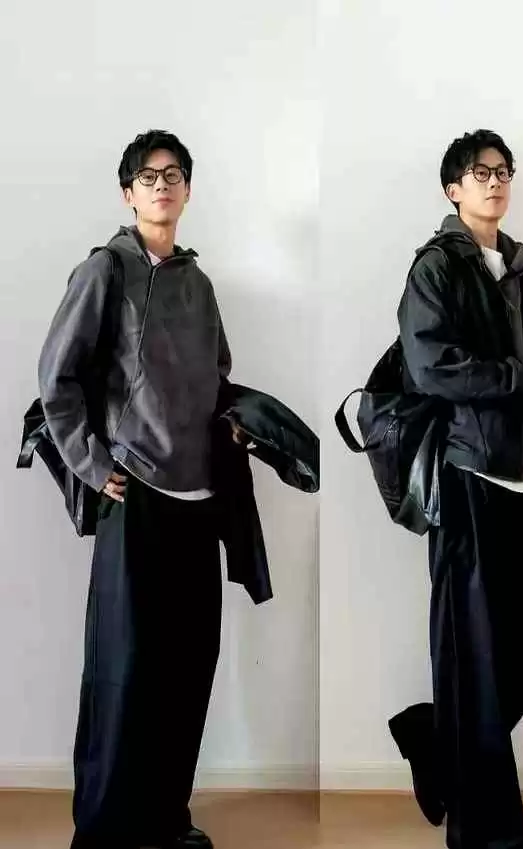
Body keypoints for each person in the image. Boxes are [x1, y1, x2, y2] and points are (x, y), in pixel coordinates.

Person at [389, 129, 523, 849]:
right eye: (480, 172)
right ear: (453, 189)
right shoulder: (435, 267)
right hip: (465, 476)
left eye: (503, 170)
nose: (494, 180)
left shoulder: (517, 267)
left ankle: (439, 744)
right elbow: (433, 370)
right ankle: (486, 833)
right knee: (474, 655)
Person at [38, 130, 243, 849]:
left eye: (174, 175)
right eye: (148, 177)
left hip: (197, 501)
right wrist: (94, 465)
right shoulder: (106, 269)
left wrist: (234, 429)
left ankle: (164, 819)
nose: (162, 186)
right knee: (123, 670)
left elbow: (218, 374)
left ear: (188, 190)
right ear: (128, 192)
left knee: (187, 666)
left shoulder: (198, 283)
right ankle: (103, 831)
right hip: (134, 495)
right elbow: (58, 377)